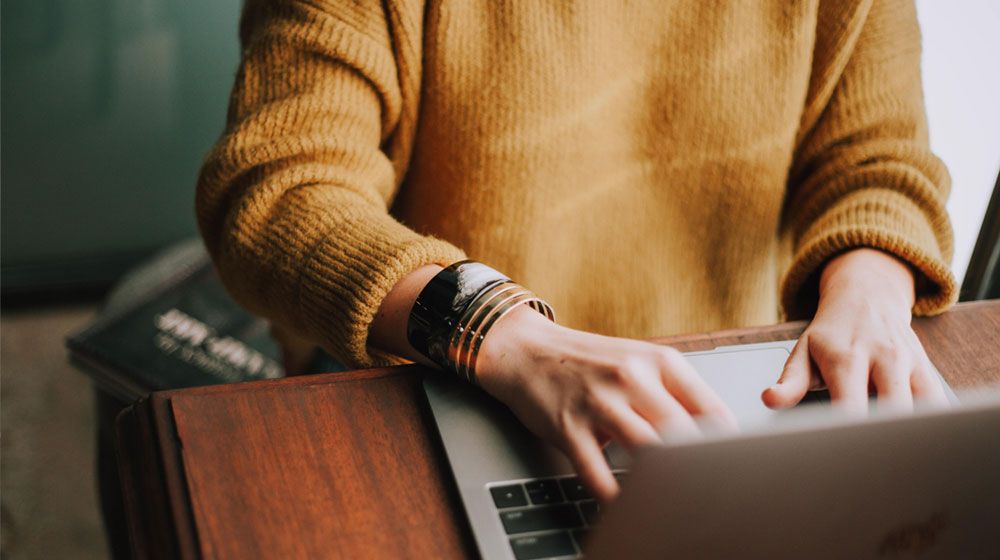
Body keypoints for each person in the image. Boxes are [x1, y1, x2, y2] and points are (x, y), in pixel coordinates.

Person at [196, 0, 955, 502]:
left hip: (718, 400)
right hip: (432, 387)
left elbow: (877, 160)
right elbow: (278, 191)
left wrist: (871, 290)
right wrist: (504, 332)